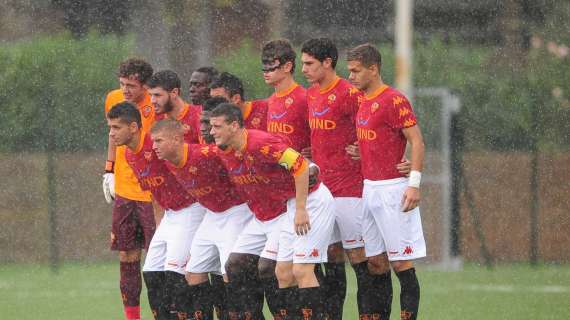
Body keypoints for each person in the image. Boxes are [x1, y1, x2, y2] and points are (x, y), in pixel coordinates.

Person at [210, 103, 336, 319]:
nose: (212, 132)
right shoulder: (238, 150)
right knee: (283, 273)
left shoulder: (259, 143)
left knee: (302, 271)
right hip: (292, 205)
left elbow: (300, 166)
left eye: (216, 126)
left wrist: (300, 208)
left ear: (233, 125)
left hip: (311, 202)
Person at [347, 43, 426, 320]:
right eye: (349, 71)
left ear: (374, 68)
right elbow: (379, 138)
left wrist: (413, 182)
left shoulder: (394, 99)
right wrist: (362, 149)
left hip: (393, 190)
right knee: (375, 262)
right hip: (369, 189)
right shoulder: (362, 100)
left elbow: (416, 141)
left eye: (356, 71)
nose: (352, 77)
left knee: (401, 262)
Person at [107, 102, 206, 320]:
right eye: (110, 127)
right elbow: (154, 193)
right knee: (151, 273)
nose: (111, 133)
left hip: (190, 209)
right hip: (170, 215)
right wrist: (161, 225)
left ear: (133, 127)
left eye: (116, 127)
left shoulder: (156, 146)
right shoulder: (130, 155)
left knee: (175, 274)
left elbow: (190, 159)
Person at [151, 119, 256, 319]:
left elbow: (236, 154)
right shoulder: (167, 161)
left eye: (159, 141)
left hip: (236, 210)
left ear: (175, 139)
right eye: (153, 142)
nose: (154, 146)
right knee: (193, 274)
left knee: (230, 274)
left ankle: (245, 314)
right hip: (212, 215)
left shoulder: (204, 154)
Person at [102, 58, 156, 320]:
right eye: (122, 84)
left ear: (145, 85)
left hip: (151, 194)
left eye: (131, 86)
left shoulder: (156, 105)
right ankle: (132, 317)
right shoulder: (113, 99)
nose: (125, 90)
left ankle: (166, 312)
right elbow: (112, 134)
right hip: (125, 191)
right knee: (126, 255)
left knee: (159, 259)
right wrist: (109, 170)